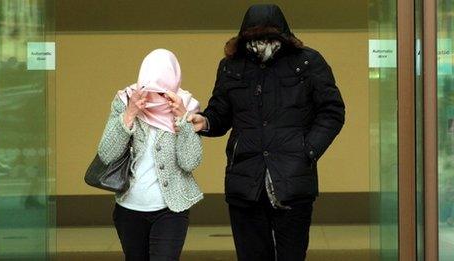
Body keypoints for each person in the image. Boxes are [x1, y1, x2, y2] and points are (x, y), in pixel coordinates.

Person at [188, 4, 345, 261]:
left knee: (291, 255)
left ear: (282, 35)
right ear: (244, 35)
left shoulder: (308, 62)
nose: (261, 42)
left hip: (293, 181)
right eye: (254, 36)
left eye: (269, 35)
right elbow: (220, 114)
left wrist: (308, 151)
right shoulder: (231, 66)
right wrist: (204, 122)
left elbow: (332, 111)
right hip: (245, 181)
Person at [97, 49, 203, 261]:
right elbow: (106, 154)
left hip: (171, 209)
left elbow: (190, 161)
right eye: (150, 87)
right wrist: (129, 114)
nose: (156, 96)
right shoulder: (126, 100)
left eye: (163, 90)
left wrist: (182, 119)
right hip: (129, 208)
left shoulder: (186, 105)